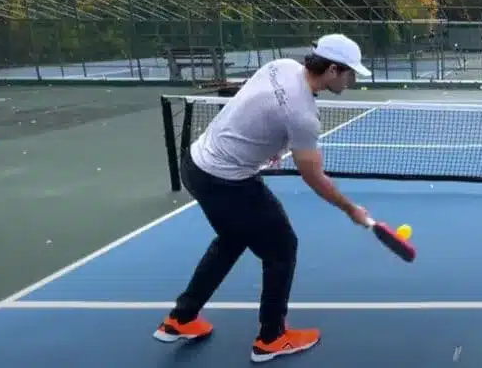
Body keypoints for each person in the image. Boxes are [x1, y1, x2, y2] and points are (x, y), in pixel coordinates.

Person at [152, 34, 372, 363]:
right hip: (228, 181)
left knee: (231, 239)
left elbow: (254, 104)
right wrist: (350, 209)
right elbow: (313, 176)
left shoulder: (280, 66)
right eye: (349, 73)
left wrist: (269, 144)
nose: (351, 80)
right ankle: (272, 337)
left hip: (196, 164)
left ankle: (180, 319)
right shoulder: (303, 116)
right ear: (330, 70)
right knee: (282, 247)